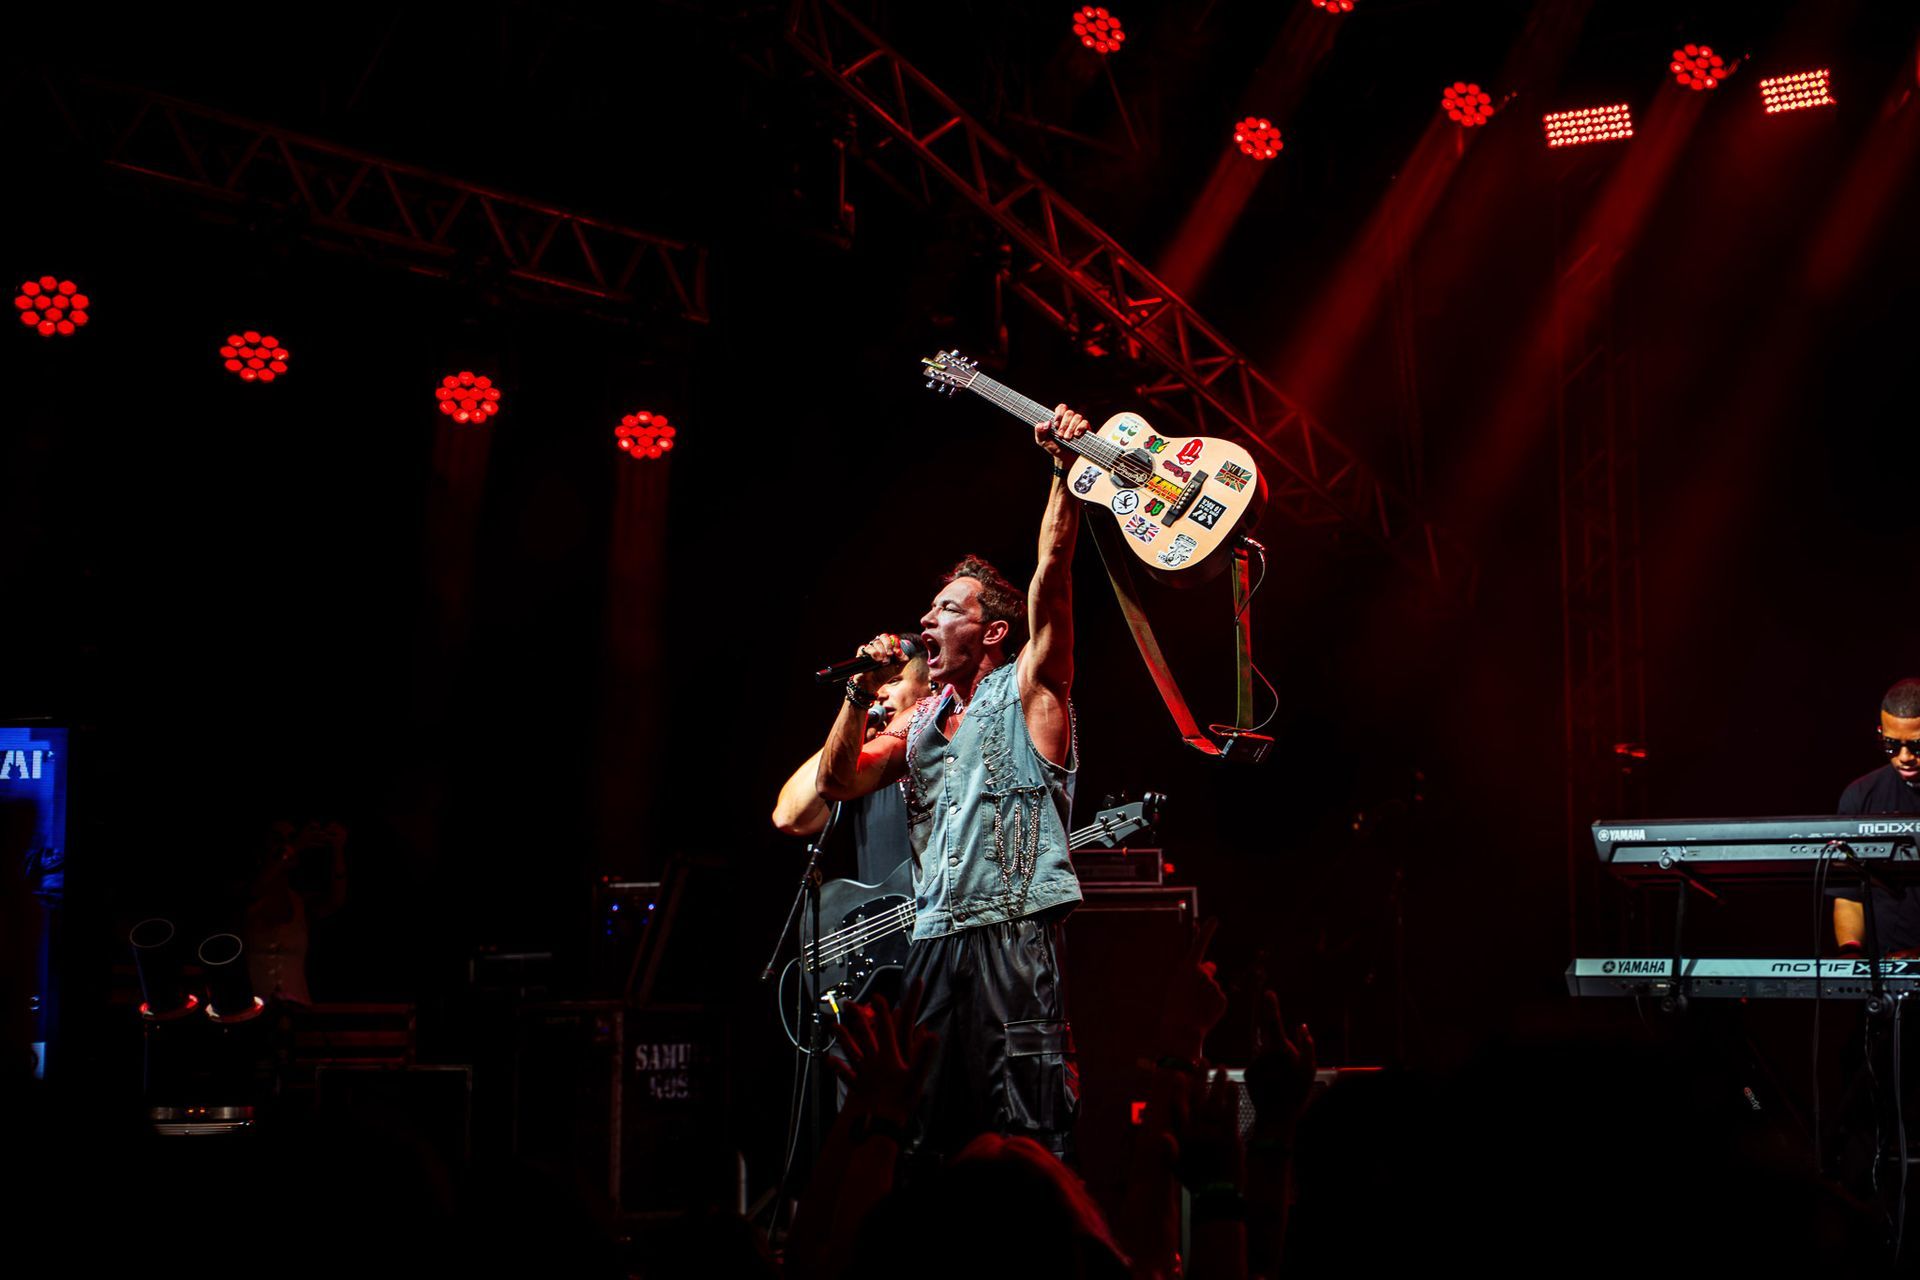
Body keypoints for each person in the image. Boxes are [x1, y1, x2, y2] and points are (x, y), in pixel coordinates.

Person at [816, 402, 1090, 1162]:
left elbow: (1051, 577)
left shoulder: (1030, 689)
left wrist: (1064, 473)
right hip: (935, 936)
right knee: (922, 1132)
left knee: (1022, 1130)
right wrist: (857, 692)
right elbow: (837, 783)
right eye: (930, 609)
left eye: (946, 609)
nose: (926, 620)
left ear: (992, 631)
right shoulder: (921, 722)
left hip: (1013, 928)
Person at [772, 653, 931, 885]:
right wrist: (853, 728)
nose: (879, 693)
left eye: (893, 681)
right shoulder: (858, 767)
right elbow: (790, 818)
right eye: (875, 685)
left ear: (932, 685)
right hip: (885, 907)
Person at [1831, 677, 1920, 957]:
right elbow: (1848, 896)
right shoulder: (1860, 796)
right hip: (1884, 968)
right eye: (1891, 745)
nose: (1904, 757)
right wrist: (1851, 955)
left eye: (1917, 746)